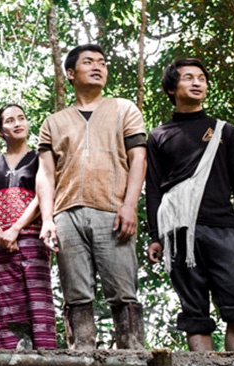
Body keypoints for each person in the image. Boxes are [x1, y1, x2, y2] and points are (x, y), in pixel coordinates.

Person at [36, 44, 147, 350]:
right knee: (76, 293)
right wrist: (47, 219)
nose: (98, 67)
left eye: (102, 62)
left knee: (123, 291)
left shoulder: (124, 109)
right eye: (88, 62)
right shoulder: (53, 122)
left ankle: (133, 355)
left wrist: (129, 206)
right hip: (67, 215)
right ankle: (81, 358)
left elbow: (139, 158)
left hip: (112, 211)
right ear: (70, 73)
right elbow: (46, 174)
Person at [146, 58, 234, 351]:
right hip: (178, 231)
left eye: (202, 78)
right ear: (171, 88)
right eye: (188, 78)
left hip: (223, 229)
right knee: (195, 313)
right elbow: (154, 191)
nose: (197, 83)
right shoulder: (158, 136)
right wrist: (155, 237)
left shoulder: (225, 131)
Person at [0, 104, 56, 350]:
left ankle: (45, 361)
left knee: (38, 296)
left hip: (32, 237)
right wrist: (1, 233)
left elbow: (42, 196)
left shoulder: (39, 159)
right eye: (10, 120)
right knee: (4, 301)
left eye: (21, 118)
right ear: (1, 130)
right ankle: (7, 365)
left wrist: (15, 229)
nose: (17, 123)